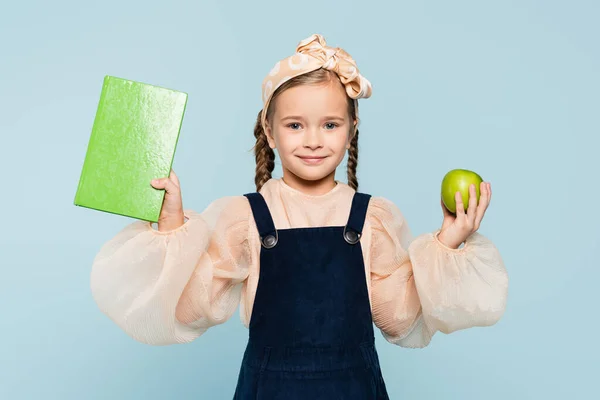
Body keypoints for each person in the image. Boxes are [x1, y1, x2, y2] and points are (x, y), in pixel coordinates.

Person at [90, 33, 509, 399]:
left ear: (352, 128)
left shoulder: (371, 218)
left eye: (329, 125)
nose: (313, 140)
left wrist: (448, 241)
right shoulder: (246, 217)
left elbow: (398, 318)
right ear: (269, 132)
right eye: (295, 125)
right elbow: (190, 307)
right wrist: (171, 227)